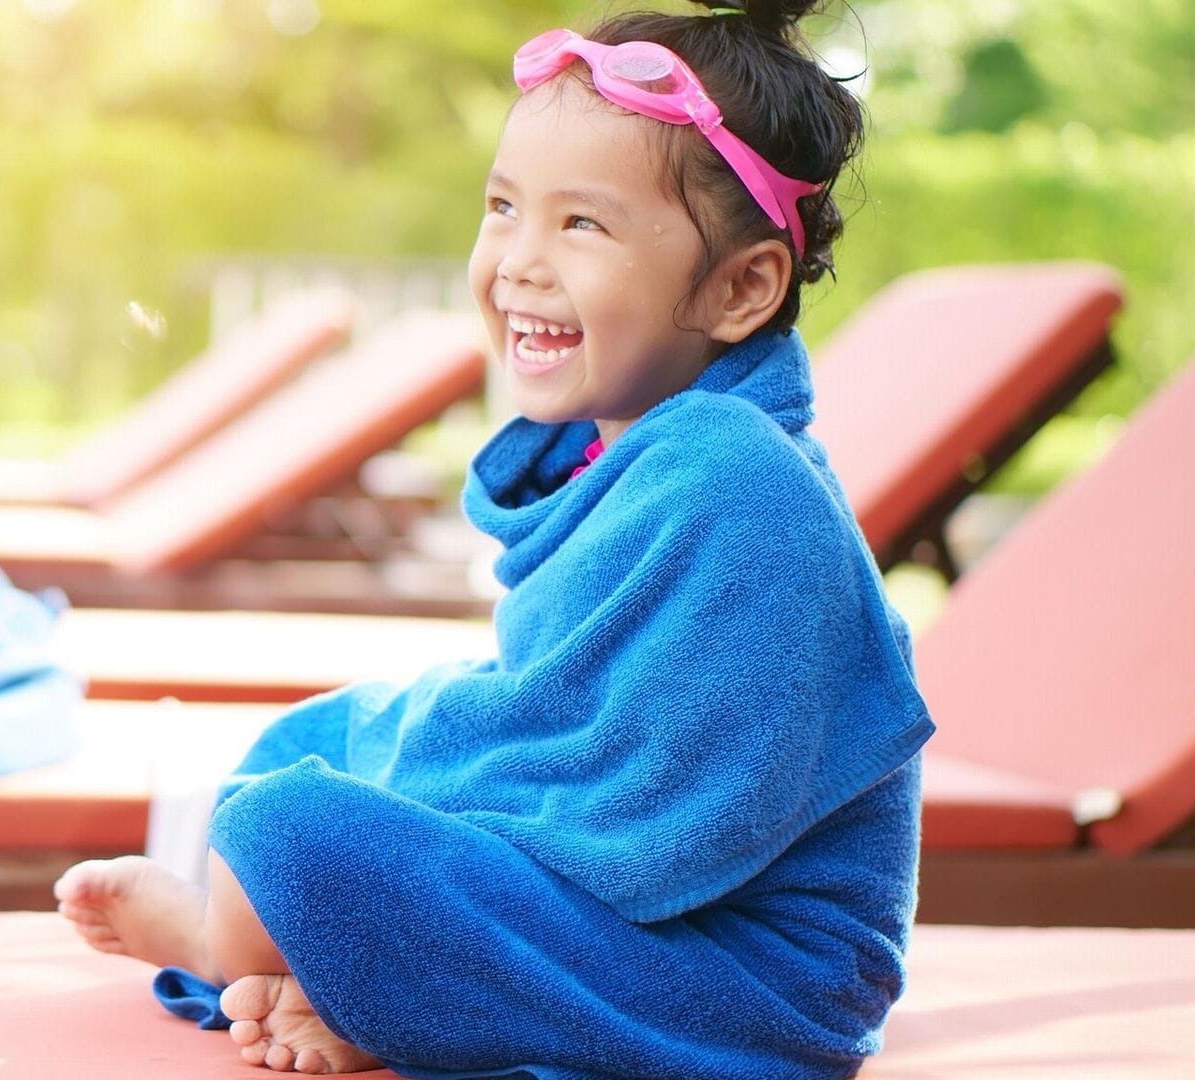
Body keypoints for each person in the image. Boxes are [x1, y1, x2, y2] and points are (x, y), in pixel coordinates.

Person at [55, 2, 934, 1076]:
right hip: (631, 922)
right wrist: (399, 751)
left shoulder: (740, 480)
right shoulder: (621, 457)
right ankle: (345, 979)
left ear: (742, 286)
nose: (518, 259)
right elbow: (565, 713)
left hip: (743, 975)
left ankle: (254, 947)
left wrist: (407, 786)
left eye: (582, 225)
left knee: (300, 836)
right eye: (504, 207)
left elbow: (644, 801)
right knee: (320, 744)